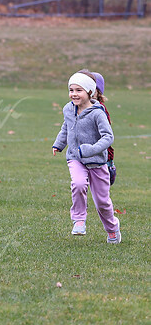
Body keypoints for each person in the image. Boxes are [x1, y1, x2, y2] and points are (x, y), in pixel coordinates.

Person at [52, 71, 121, 244]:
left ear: (90, 92)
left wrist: (91, 150)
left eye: (79, 90)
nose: (74, 94)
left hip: (97, 162)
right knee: (78, 184)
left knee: (102, 203)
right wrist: (58, 144)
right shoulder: (68, 109)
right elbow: (66, 127)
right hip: (75, 158)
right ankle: (79, 220)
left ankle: (112, 229)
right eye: (71, 90)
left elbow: (108, 137)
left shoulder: (98, 113)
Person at [92, 72, 116, 185]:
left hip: (101, 152)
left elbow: (106, 134)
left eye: (92, 90)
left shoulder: (101, 109)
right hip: (84, 152)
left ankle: (110, 168)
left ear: (98, 92)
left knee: (104, 183)